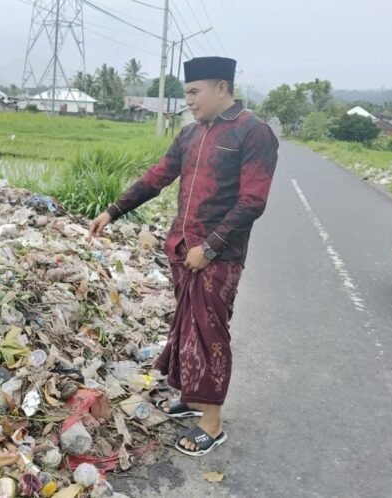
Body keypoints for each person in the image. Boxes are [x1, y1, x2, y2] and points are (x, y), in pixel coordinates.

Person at [87, 56, 279, 457]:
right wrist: (112, 211)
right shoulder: (190, 134)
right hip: (181, 249)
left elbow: (252, 201)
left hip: (218, 255)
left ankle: (212, 423)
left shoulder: (253, 132)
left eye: (194, 92)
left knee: (209, 331)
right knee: (188, 327)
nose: (188, 100)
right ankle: (192, 399)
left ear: (221, 88)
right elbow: (157, 177)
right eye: (186, 93)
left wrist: (209, 248)